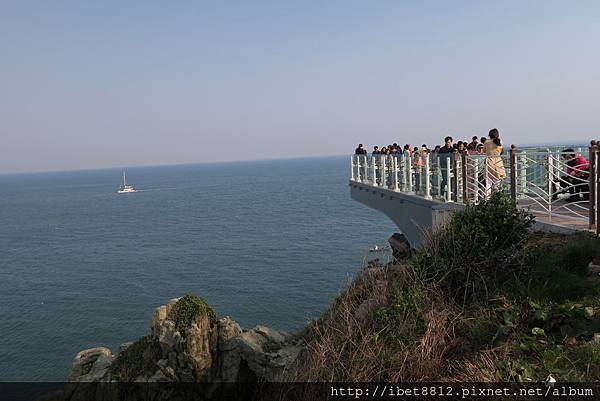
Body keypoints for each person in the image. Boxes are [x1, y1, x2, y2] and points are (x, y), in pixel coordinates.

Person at [484, 128, 506, 197]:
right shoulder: (500, 142)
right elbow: (502, 151)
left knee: (488, 182)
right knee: (498, 181)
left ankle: (487, 198)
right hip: (498, 162)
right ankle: (497, 198)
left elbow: (484, 150)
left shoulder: (486, 142)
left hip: (489, 162)